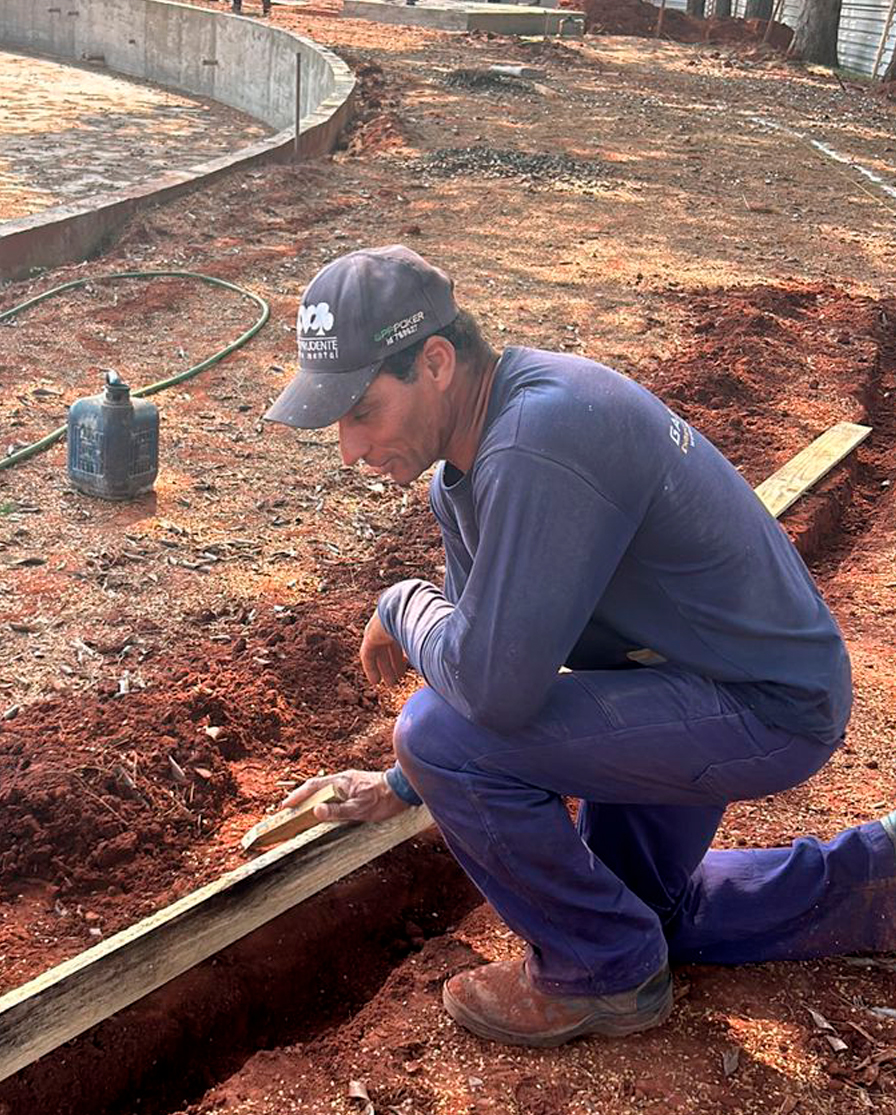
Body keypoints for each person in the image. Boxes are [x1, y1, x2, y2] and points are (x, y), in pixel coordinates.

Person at [269, 245, 896, 1048]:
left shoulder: (540, 439)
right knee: (646, 905)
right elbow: (482, 654)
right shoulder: (470, 465)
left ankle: (600, 975)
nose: (350, 448)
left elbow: (490, 695)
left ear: (434, 361)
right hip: (683, 689)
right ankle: (873, 877)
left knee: (433, 732)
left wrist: (399, 603)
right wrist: (397, 786)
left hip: (760, 707)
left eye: (361, 412)